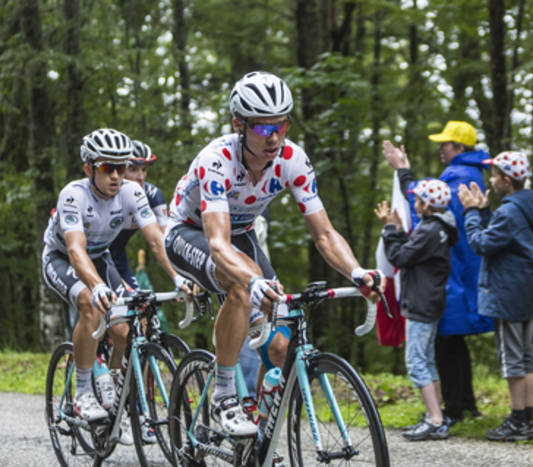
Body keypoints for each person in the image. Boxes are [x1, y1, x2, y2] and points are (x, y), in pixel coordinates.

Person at [164, 71, 384, 436]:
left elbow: (324, 233)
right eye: (264, 128)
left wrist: (358, 272)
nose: (275, 137)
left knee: (280, 345)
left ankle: (258, 438)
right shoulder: (217, 159)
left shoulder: (293, 160)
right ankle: (224, 395)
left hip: (243, 235)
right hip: (189, 232)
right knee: (240, 286)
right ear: (239, 125)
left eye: (282, 125)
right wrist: (252, 281)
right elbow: (218, 244)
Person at [41, 128, 191, 428]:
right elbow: (75, 250)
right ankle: (83, 392)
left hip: (100, 257)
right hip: (61, 258)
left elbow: (155, 240)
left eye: (121, 168)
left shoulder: (131, 192)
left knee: (123, 330)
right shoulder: (73, 194)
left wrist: (179, 277)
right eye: (107, 168)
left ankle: (108, 387)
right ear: (89, 168)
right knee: (90, 305)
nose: (115, 176)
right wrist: (96, 286)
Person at [383, 120, 493, 425]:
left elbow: (429, 204)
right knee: (451, 341)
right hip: (455, 272)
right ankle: (462, 404)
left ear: (460, 147)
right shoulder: (468, 174)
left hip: (449, 277)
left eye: (445, 144)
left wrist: (404, 172)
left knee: (448, 341)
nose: (440, 148)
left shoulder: (461, 178)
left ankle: (454, 408)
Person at [458, 150, 533, 442]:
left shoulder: (510, 211)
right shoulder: (527, 206)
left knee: (512, 360)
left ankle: (518, 420)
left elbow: (481, 244)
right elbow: (503, 237)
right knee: (526, 356)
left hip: (507, 292)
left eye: (495, 175)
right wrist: (485, 212)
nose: (492, 180)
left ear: (507, 180)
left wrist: (471, 213)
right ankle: (527, 419)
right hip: (524, 290)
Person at [375, 179, 458, 441]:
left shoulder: (429, 230)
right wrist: (399, 231)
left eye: (418, 201)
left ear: (427, 206)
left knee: (416, 362)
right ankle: (438, 415)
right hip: (430, 301)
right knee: (427, 360)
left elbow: (399, 257)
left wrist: (390, 229)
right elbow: (411, 253)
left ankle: (435, 420)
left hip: (421, 303)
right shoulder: (440, 228)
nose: (416, 205)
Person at [110, 140, 169, 291]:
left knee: (140, 302)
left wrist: (180, 277)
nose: (141, 177)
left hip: (117, 258)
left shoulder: (152, 195)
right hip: (86, 257)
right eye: (133, 170)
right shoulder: (106, 194)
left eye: (144, 170)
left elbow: (165, 242)